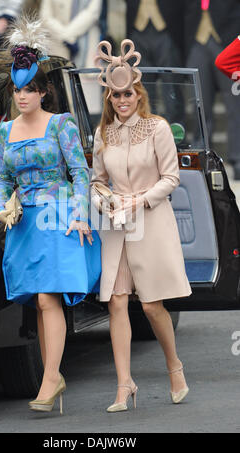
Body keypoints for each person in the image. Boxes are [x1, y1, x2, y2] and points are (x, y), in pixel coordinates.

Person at [0, 17, 101, 414]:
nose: (22, 97)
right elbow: (3, 179)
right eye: (17, 90)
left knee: (47, 297)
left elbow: (80, 173)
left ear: (42, 92)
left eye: (29, 90)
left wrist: (80, 214)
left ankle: (51, 377)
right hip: (24, 224)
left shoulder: (61, 125)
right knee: (39, 303)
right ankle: (51, 377)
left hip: (59, 217)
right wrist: (1, 207)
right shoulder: (5, 132)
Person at [91, 38, 191, 412]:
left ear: (138, 93)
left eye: (128, 94)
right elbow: (97, 180)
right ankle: (123, 385)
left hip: (151, 220)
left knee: (151, 306)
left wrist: (140, 199)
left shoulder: (158, 128)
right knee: (116, 303)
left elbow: (172, 177)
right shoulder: (103, 134)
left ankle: (174, 367)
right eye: (116, 96)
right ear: (109, 99)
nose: (122, 101)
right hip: (117, 226)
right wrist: (104, 200)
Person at [184, 0, 240, 179]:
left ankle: (237, 159)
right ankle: (202, 156)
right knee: (201, 104)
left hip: (227, 42)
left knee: (234, 106)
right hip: (197, 43)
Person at [125, 0, 185, 126]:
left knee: (171, 85)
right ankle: (147, 129)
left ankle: (174, 132)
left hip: (167, 28)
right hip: (137, 27)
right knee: (142, 85)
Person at [39, 0, 103, 117]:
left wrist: (68, 35)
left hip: (87, 52)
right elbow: (45, 17)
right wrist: (66, 37)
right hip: (58, 49)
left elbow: (92, 13)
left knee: (88, 111)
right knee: (61, 106)